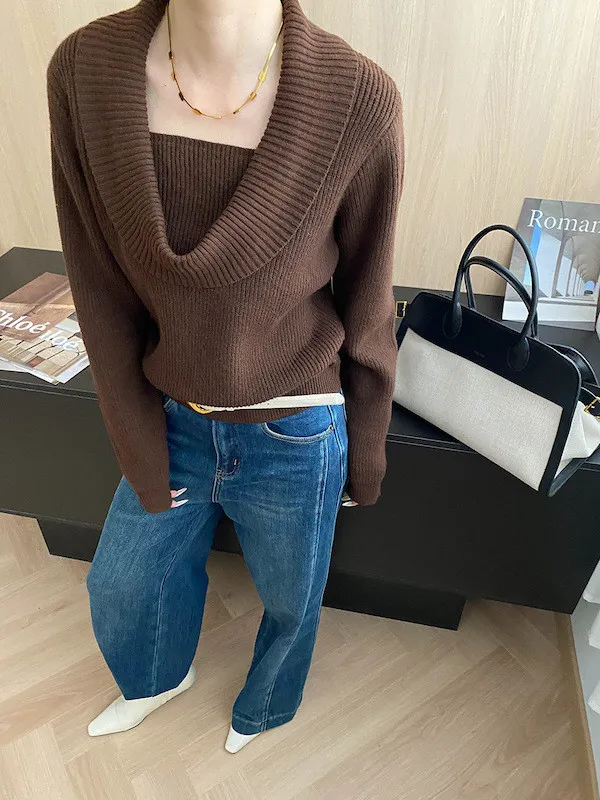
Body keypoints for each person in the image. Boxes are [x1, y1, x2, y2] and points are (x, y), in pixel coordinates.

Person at [46, 0, 404, 753]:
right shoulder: (84, 74)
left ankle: (268, 706)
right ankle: (157, 677)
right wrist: (135, 440)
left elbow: (369, 297)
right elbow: (98, 291)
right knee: (122, 583)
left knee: (291, 597)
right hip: (172, 412)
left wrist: (368, 443)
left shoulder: (358, 100)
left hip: (295, 423)